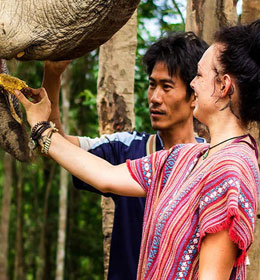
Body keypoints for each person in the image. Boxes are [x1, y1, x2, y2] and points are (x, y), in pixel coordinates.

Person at [15, 20, 260, 279]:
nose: (193, 83)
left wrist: (42, 128)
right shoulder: (186, 158)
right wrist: (41, 128)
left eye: (200, 75)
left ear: (224, 86)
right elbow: (106, 175)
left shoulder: (230, 169)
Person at [41, 32, 208, 280]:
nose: (155, 98)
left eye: (166, 87)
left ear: (193, 95)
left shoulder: (211, 163)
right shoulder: (127, 149)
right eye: (152, 85)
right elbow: (59, 146)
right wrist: (52, 76)